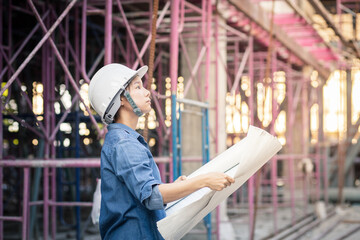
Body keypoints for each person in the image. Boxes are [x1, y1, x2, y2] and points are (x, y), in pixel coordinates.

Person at [88, 63, 235, 240]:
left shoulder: (123, 140)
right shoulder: (124, 143)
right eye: (137, 87)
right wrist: (204, 181)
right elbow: (151, 196)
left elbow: (141, 196)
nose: (147, 92)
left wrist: (175, 188)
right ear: (122, 99)